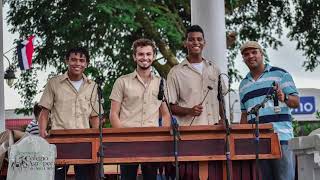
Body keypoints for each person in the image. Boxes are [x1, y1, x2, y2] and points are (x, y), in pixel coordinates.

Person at [109, 38, 170, 180]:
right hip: (127, 141)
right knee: (127, 178)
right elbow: (113, 114)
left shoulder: (161, 82)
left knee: (151, 178)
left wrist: (161, 138)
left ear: (154, 56)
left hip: (152, 141)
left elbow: (166, 115)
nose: (145, 58)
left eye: (148, 54)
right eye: (141, 54)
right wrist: (124, 138)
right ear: (134, 57)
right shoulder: (122, 81)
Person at [239, 41, 300, 180]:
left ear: (262, 53)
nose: (250, 56)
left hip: (281, 138)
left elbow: (296, 102)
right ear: (243, 59)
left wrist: (284, 97)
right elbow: (245, 114)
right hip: (257, 141)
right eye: (246, 54)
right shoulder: (243, 84)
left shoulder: (281, 74)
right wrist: (241, 138)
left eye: (254, 52)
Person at [38, 47, 101, 180]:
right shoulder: (54, 83)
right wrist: (42, 135)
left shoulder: (93, 86)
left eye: (81, 60)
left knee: (84, 177)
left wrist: (97, 141)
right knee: (57, 177)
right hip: (59, 140)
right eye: (73, 59)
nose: (77, 63)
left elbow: (95, 116)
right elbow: (44, 112)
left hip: (85, 141)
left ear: (86, 64)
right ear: (67, 61)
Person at [167, 25, 226, 126]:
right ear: (185, 43)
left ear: (204, 43)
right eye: (191, 40)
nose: (196, 42)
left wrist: (224, 119)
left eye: (199, 39)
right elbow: (170, 107)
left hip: (215, 130)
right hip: (191, 132)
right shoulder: (175, 72)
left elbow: (220, 99)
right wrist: (189, 111)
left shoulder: (214, 69)